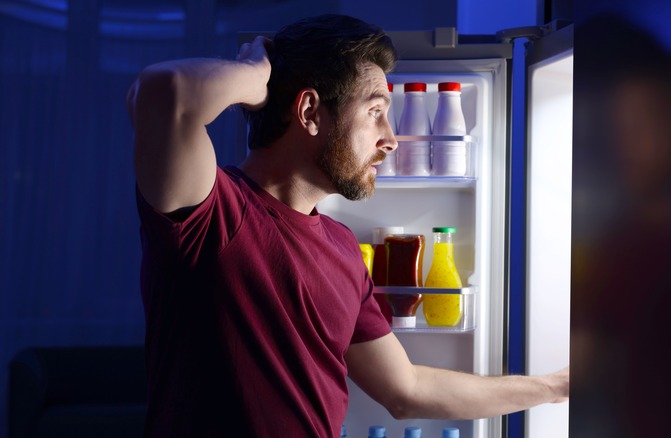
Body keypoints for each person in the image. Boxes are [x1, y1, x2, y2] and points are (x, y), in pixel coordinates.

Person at [126, 14, 568, 437]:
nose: (391, 139)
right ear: (310, 111)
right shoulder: (210, 213)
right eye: (376, 111)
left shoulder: (342, 248)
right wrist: (253, 73)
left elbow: (407, 390)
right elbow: (165, 93)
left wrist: (554, 388)